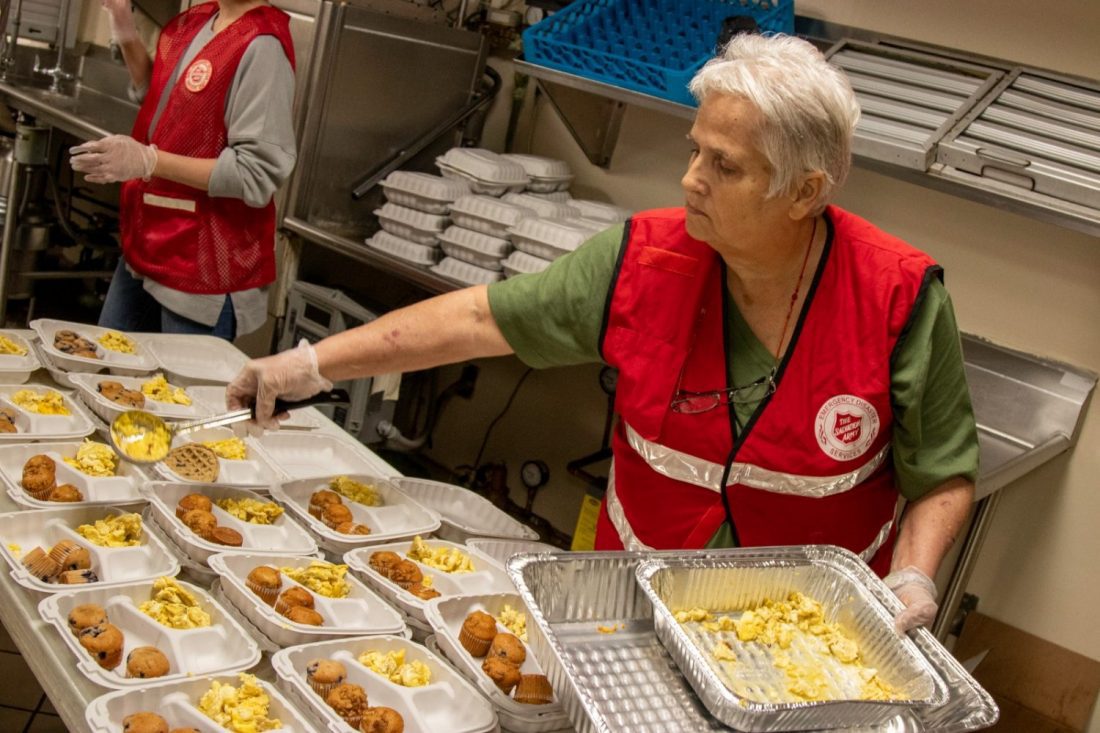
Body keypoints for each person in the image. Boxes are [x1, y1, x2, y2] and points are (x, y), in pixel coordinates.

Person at [227, 34, 978, 632]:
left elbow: (940, 471)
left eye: (725, 165)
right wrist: (308, 364)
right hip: (631, 611)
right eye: (693, 150)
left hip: (798, 637)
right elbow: (480, 317)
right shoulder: (644, 261)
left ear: (806, 192)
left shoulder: (898, 298)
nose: (690, 179)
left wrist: (913, 573)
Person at [69, 0, 297, 341]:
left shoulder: (262, 46)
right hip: (149, 246)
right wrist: (123, 27)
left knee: (178, 394)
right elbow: (158, 94)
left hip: (203, 266)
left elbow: (254, 173)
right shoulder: (196, 22)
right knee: (105, 372)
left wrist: (148, 161)